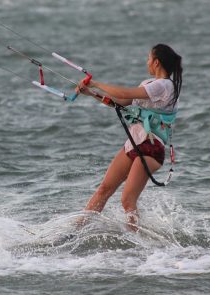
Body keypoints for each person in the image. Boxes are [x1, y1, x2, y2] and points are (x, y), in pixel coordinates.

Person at [76, 44, 183, 230]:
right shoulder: (148, 84)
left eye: (149, 58)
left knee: (127, 199)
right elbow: (122, 102)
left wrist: (96, 83)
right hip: (133, 144)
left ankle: (135, 240)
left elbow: (125, 93)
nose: (147, 62)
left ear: (156, 62)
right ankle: (76, 230)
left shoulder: (164, 86)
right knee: (104, 190)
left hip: (151, 147)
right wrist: (92, 93)